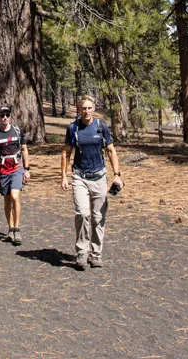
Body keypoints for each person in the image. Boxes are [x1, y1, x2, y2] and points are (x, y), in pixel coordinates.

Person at [60, 95, 123, 269]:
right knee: (82, 213)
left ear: (94, 108)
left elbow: (111, 151)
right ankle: (81, 252)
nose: (86, 111)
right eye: (83, 108)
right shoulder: (73, 128)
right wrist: (64, 176)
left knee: (98, 217)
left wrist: (117, 174)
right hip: (79, 176)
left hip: (99, 177)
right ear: (79, 110)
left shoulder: (101, 127)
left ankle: (95, 254)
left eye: (89, 108)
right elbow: (66, 152)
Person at [0, 105, 30, 245]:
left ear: (10, 116)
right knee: (7, 200)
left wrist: (27, 169)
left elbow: (24, 150)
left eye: (7, 115)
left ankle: (17, 229)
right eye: (2, 115)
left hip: (17, 168)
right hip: (2, 170)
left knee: (15, 196)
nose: (4, 117)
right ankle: (10, 229)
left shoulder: (17, 131)